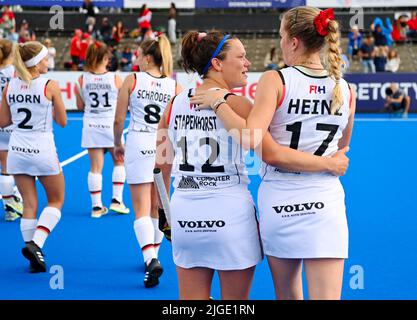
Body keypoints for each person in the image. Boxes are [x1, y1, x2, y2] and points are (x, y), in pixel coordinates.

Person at [158, 26, 350, 299]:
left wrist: (162, 211)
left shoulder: (174, 103)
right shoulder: (240, 105)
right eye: (241, 57)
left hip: (185, 212)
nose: (248, 63)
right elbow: (266, 149)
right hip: (229, 213)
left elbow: (160, 163)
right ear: (217, 63)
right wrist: (329, 164)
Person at [114, 34, 180, 288]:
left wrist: (117, 143)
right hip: (163, 144)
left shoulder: (132, 79)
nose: (137, 59)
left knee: (141, 207)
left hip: (140, 140)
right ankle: (153, 254)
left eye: (139, 55)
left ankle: (150, 257)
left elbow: (119, 119)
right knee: (156, 206)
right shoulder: (174, 86)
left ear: (149, 57)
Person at [0, 41, 67, 273]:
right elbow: (63, 121)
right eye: (45, 58)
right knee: (56, 200)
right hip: (43, 149)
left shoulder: (10, 86)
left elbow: (3, 122)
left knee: (29, 204)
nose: (48, 62)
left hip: (17, 150)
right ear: (36, 63)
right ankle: (36, 244)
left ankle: (33, 256)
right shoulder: (50, 85)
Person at [75, 41, 129, 218]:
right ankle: (117, 200)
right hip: (111, 125)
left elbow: (80, 105)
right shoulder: (115, 78)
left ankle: (97, 207)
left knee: (95, 168)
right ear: (105, 58)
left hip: (92, 126)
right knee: (119, 162)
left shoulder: (82, 79)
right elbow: (124, 104)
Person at [0, 39, 23, 221]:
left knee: (5, 166)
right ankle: (18, 200)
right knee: (22, 168)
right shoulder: (16, 73)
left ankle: (9, 208)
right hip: (15, 122)